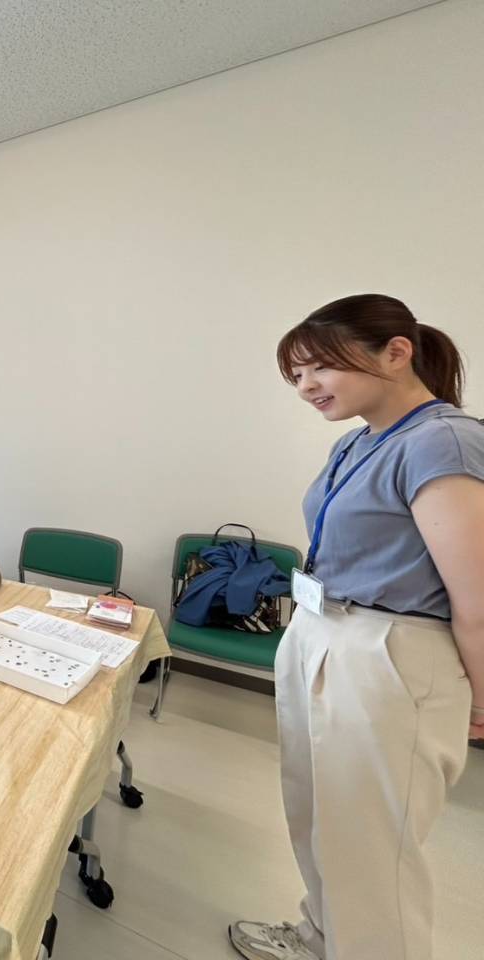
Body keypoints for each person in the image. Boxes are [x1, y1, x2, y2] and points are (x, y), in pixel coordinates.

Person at [229, 294, 484, 960]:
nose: (306, 386)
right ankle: (320, 937)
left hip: (390, 651)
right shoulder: (358, 441)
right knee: (319, 815)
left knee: (373, 852)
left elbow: (477, 598)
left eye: (320, 367)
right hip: (323, 631)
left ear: (396, 353)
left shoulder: (444, 440)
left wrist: (481, 699)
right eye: (296, 375)